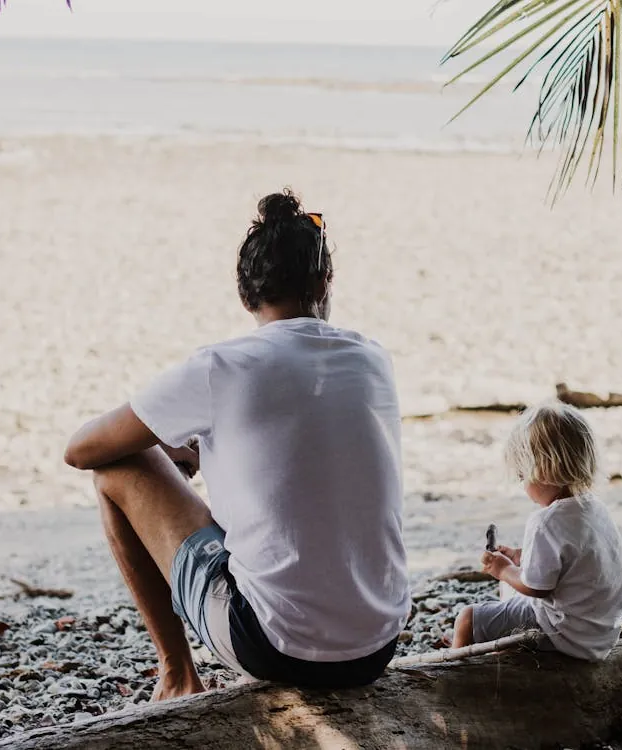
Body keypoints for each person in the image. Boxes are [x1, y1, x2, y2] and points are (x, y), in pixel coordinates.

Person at [64, 189, 410, 699]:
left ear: (247, 294)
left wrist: (171, 448)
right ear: (323, 281)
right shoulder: (372, 358)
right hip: (377, 645)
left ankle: (177, 674)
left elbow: (82, 450)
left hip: (274, 645)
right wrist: (206, 451)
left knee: (117, 469)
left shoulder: (221, 367)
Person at [451, 402, 622, 662]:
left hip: (563, 634)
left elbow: (537, 589)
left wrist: (503, 569)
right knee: (508, 589)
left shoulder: (547, 521)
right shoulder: (594, 509)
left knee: (467, 618)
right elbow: (577, 563)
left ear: (542, 470)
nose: (522, 484)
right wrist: (521, 556)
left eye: (522, 476)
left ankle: (452, 675)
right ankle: (506, 648)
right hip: (599, 633)